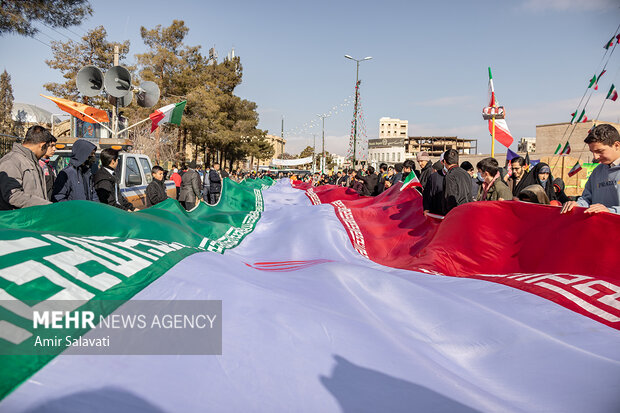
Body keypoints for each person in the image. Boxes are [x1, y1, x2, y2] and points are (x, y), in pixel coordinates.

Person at [561, 123, 620, 214]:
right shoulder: (597, 172)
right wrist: (577, 204)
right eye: (592, 152)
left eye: (599, 151)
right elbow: (587, 199)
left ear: (616, 145)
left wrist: (610, 212)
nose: (595, 157)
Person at [0, 125, 55, 209]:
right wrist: (46, 205)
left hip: (35, 218)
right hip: (19, 220)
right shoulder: (11, 161)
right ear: (42, 145)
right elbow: (13, 195)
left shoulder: (33, 161)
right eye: (48, 147)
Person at [442, 149, 471, 214]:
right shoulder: (466, 173)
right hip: (467, 210)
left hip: (456, 213)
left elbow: (450, 197)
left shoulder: (450, 176)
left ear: (444, 161)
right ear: (457, 160)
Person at [38, 135, 57, 200]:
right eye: (51, 146)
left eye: (55, 146)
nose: (54, 149)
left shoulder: (50, 166)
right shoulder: (37, 165)